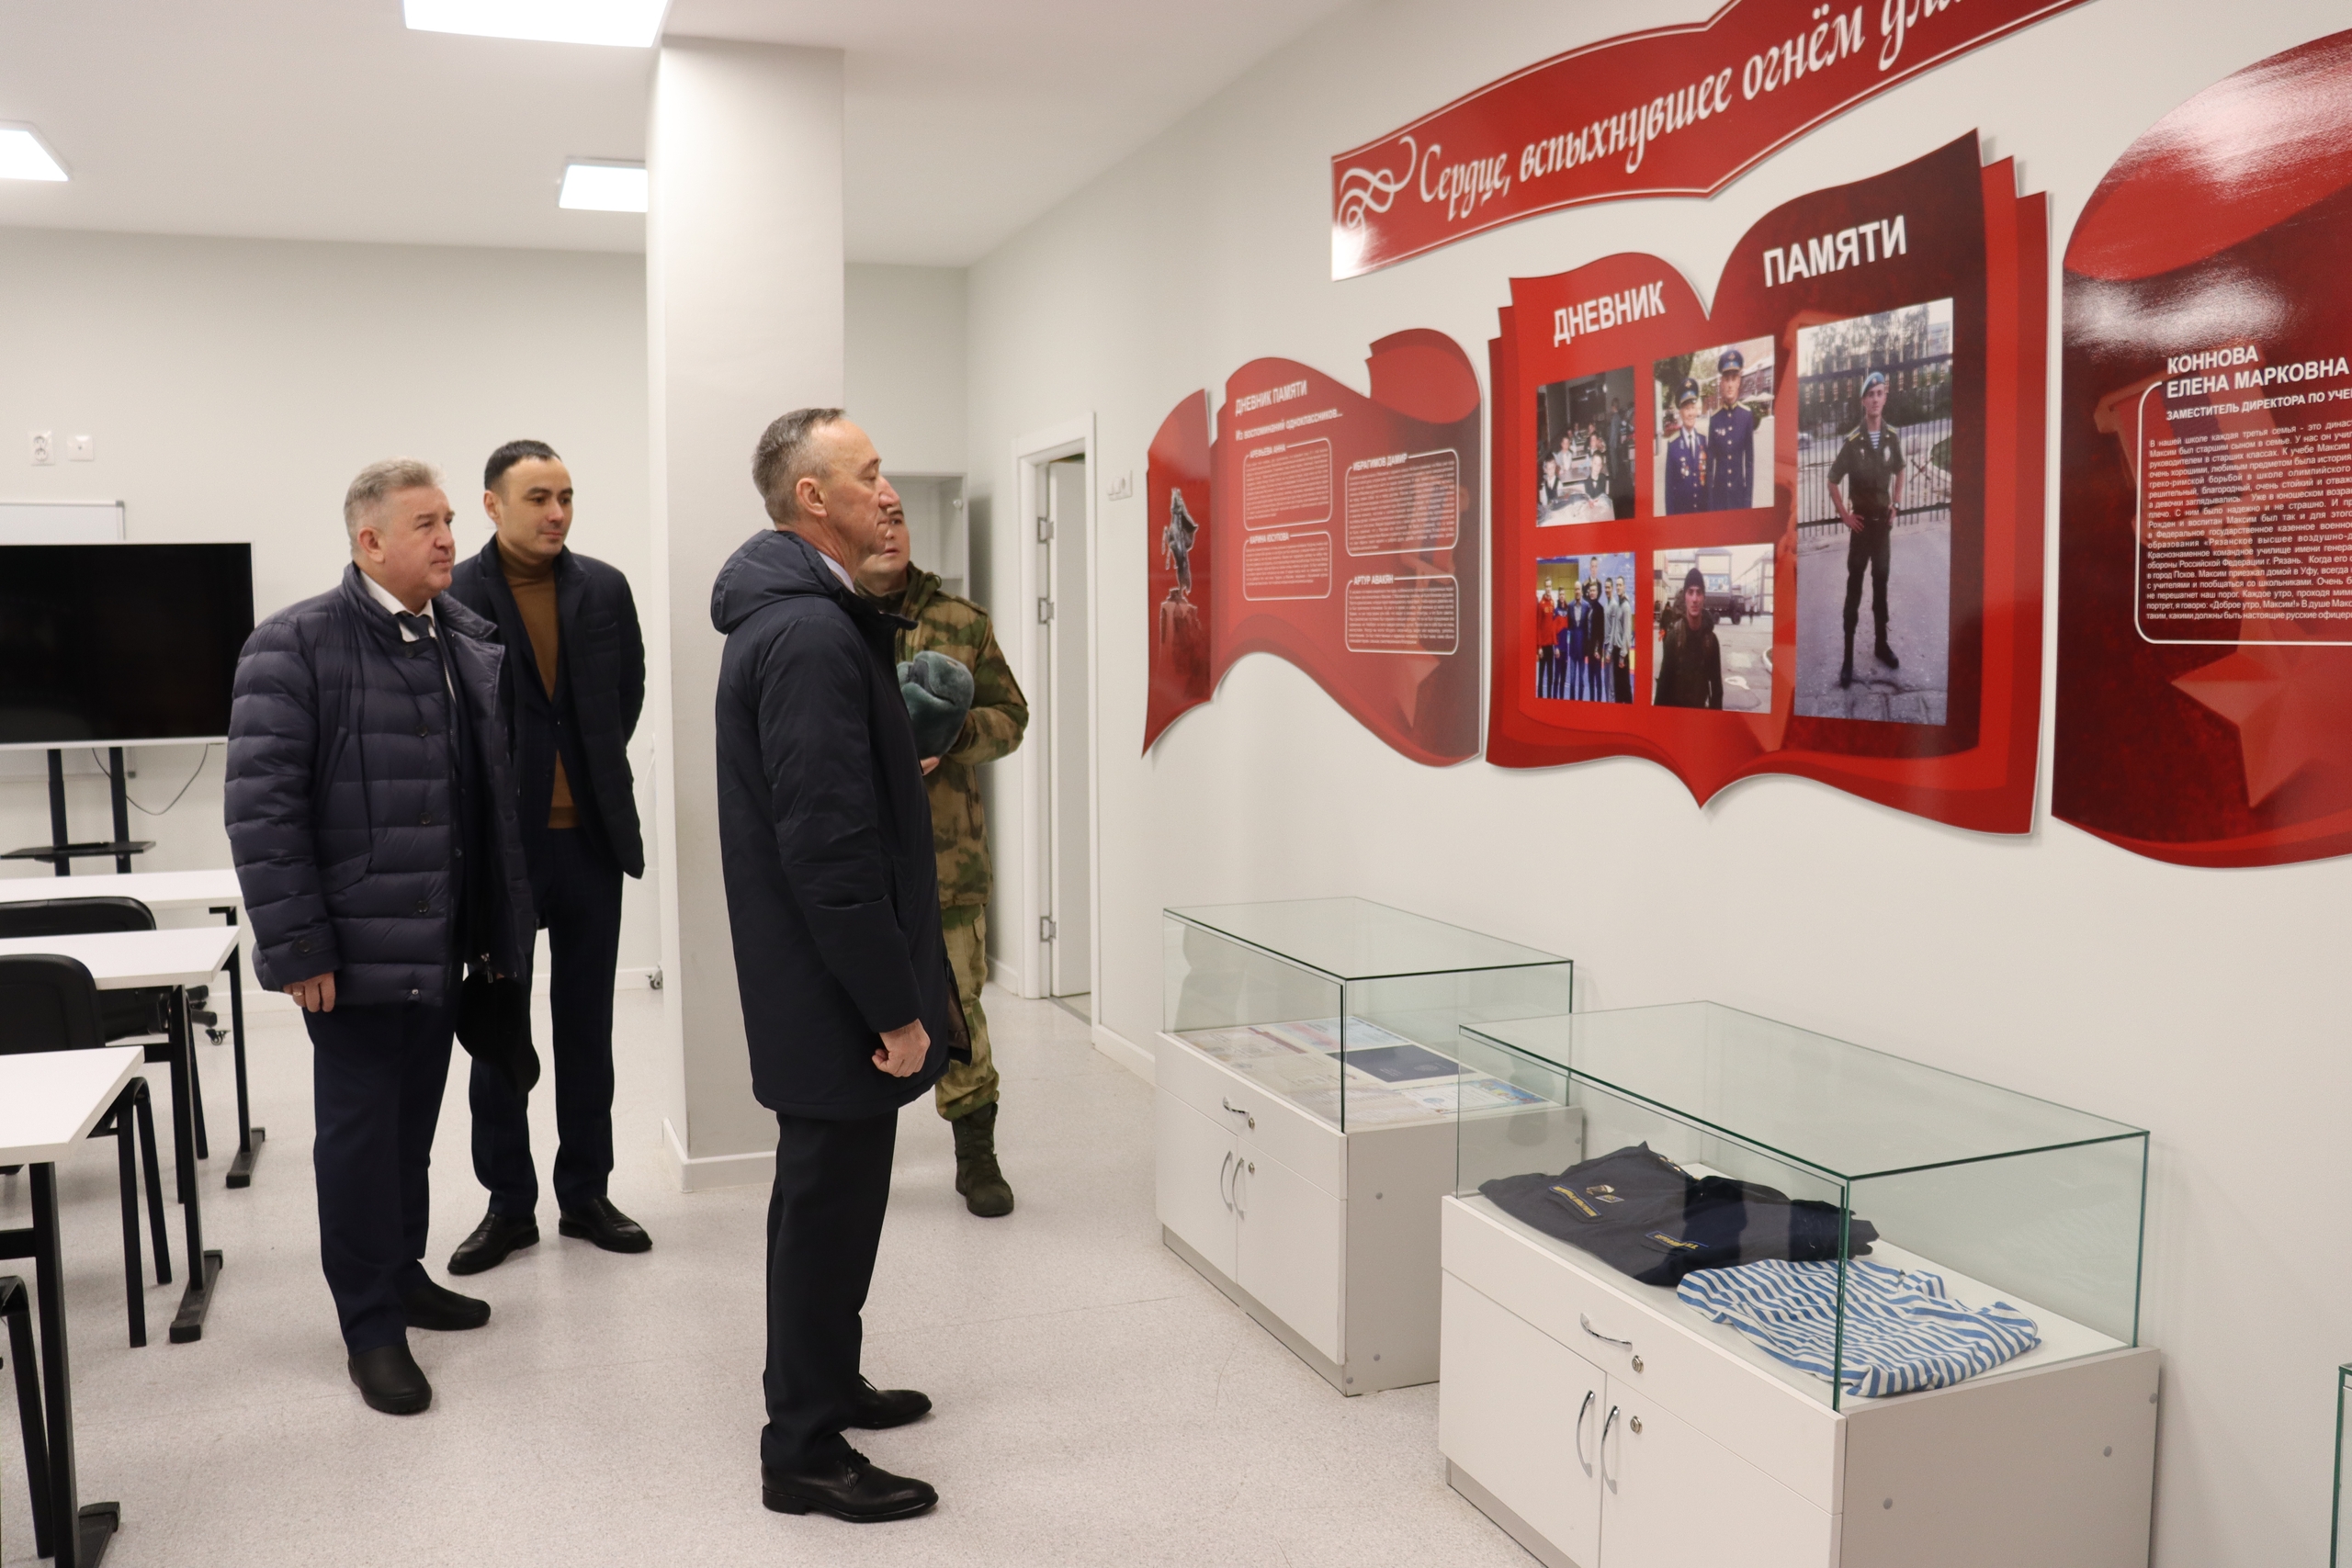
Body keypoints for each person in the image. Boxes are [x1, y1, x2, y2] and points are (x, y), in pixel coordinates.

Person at [226, 458, 537, 1416]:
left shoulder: (459, 636)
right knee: (359, 1142)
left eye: (448, 521)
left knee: (410, 1132)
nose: (449, 539)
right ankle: (369, 1326)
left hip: (440, 942)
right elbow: (263, 815)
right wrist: (301, 948)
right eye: (427, 524)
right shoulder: (293, 645)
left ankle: (402, 1275)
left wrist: (491, 930)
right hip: (352, 953)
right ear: (370, 542)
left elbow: (479, 798)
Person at [712, 407, 966, 1523]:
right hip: (832, 990)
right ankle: (804, 1451)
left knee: (830, 1205)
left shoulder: (807, 616)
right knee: (825, 1213)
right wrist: (893, 1007)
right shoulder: (810, 634)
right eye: (867, 474)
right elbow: (828, 848)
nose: (887, 492)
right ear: (812, 498)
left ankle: (827, 1382)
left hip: (818, 977)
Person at [440, 440, 651, 1274]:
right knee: (500, 1032)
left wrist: (583, 768)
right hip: (501, 851)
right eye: (538, 498)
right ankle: (508, 1204)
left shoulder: (605, 587)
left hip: (591, 841)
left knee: (587, 1027)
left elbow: (625, 694)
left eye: (565, 496)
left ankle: (586, 1193)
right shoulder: (455, 594)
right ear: (492, 505)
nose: (556, 512)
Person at [855, 497, 1030, 1218]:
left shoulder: (963, 620)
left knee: (960, 1007)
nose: (890, 529)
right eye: (877, 517)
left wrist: (952, 735)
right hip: (859, 859)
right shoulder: (827, 620)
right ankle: (856, 1156)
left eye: (898, 516)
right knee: (856, 1007)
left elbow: (1012, 717)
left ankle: (976, 1152)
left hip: (950, 861)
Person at [1827, 370, 1906, 688]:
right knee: (1854, 590)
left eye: (1879, 393)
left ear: (1885, 397)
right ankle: (1848, 658)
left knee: (1881, 587)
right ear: (1863, 401)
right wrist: (1845, 516)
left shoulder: (1892, 437)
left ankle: (1880, 645)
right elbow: (1832, 480)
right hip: (1860, 529)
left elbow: (1900, 469)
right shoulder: (1853, 442)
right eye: (1870, 394)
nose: (1875, 399)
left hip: (1882, 528)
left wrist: (1896, 502)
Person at [1655, 566, 1724, 709]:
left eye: (1699, 593)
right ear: (1684, 597)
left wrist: (1714, 720)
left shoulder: (1711, 641)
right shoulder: (1674, 638)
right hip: (1676, 716)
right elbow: (1663, 688)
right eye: (1690, 592)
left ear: (1704, 598)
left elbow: (1717, 690)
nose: (1694, 599)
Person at [1705, 347, 1758, 511]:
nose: (1729, 384)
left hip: (1738, 497)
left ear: (1738, 381)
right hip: (1718, 498)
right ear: (1721, 383)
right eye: (1726, 379)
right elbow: (1709, 465)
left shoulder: (1746, 416)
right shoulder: (1714, 419)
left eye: (1733, 379)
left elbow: (1749, 463)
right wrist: (1709, 502)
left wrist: (1747, 501)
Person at [1664, 380, 1707, 514]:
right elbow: (1669, 488)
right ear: (1680, 412)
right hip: (1682, 513)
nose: (1690, 413)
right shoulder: (1673, 444)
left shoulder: (1703, 440)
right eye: (1687, 409)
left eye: (1693, 408)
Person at [1606, 575, 1634, 704]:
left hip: (1622, 654)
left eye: (1620, 585)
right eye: (1616, 585)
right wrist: (1609, 651)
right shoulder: (1618, 606)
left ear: (1624, 587)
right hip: (1616, 652)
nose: (1618, 587)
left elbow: (1627, 634)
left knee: (1625, 688)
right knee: (1617, 689)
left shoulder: (1626, 607)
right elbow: (1614, 631)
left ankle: (1630, 714)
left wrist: (1622, 656)